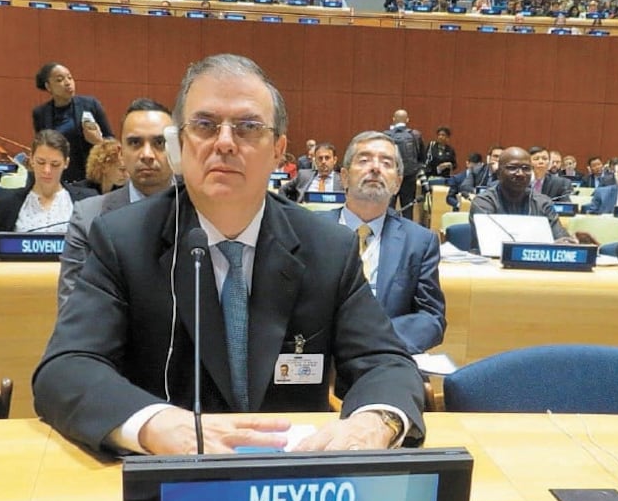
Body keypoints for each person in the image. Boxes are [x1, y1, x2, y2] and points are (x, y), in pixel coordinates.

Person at [35, 53, 426, 456]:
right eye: (205, 126)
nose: (224, 142)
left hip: (293, 490)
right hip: (164, 485)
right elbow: (66, 369)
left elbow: (387, 363)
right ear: (180, 145)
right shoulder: (123, 240)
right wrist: (151, 423)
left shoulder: (329, 247)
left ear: (278, 150)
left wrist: (375, 423)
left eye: (248, 127)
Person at [321, 131, 447, 354]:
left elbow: (432, 319)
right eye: (364, 160)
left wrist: (375, 338)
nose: (376, 168)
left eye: (386, 163)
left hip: (384, 358)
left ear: (397, 184)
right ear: (344, 177)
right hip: (316, 360)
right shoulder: (309, 230)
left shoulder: (419, 242)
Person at [58, 98, 175, 308]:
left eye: (159, 143)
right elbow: (73, 309)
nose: (147, 154)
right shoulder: (87, 217)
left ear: (176, 149)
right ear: (121, 153)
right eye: (135, 143)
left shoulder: (201, 211)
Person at [469, 146, 577, 252]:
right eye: (512, 168)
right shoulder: (483, 202)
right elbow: (492, 243)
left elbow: (561, 240)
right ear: (499, 172)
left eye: (526, 168)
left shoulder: (543, 203)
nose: (520, 173)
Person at [0, 130, 93, 234]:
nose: (47, 170)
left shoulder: (87, 202)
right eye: (41, 162)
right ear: (32, 159)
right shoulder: (6, 203)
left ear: (66, 163)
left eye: (55, 164)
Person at [32, 62, 114, 184]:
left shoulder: (90, 105)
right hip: (58, 179)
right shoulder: (40, 113)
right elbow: (42, 146)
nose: (67, 83)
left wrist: (98, 141)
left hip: (90, 180)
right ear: (48, 87)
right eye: (60, 80)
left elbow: (112, 143)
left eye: (70, 78)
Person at [383, 110, 425, 220]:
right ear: (407, 120)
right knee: (408, 208)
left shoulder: (385, 135)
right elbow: (421, 158)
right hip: (409, 176)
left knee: (388, 207)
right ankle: (407, 233)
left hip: (390, 176)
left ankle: (386, 232)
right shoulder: (415, 135)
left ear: (393, 119)